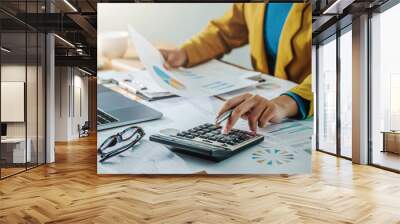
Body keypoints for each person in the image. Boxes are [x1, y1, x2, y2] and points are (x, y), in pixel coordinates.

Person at [160, 3, 312, 133]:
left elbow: (333, 68)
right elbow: (225, 32)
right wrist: (185, 53)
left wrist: (285, 103)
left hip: (310, 108)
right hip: (265, 102)